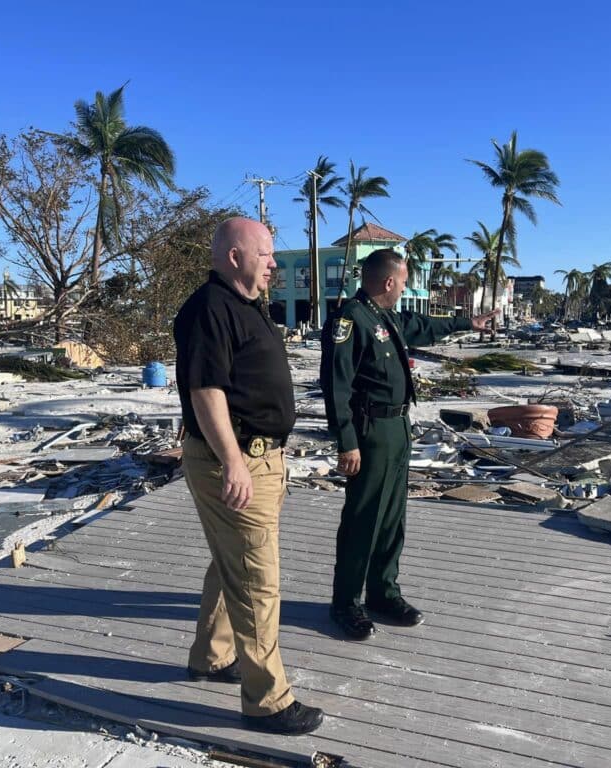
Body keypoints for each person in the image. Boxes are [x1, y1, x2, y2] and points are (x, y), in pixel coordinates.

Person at [173, 217, 324, 735]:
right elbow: (205, 391)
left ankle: (211, 657)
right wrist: (236, 461)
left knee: (230, 559)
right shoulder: (209, 309)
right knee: (258, 581)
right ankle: (267, 701)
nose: (274, 263)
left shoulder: (245, 306)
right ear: (235, 256)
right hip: (232, 461)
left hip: (262, 458)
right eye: (266, 254)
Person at [321, 248, 498, 640]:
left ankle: (383, 593)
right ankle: (346, 602)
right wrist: (347, 442)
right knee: (363, 519)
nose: (404, 289)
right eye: (402, 283)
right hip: (370, 434)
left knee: (391, 519)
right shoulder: (350, 320)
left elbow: (421, 326)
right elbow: (336, 387)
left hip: (398, 427)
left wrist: (468, 321)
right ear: (388, 282)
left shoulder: (386, 318)